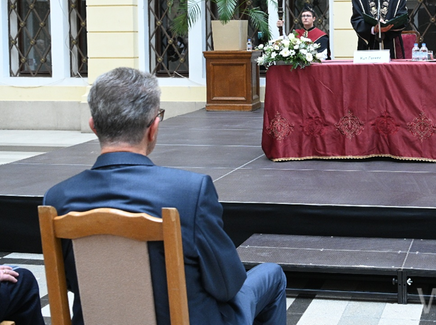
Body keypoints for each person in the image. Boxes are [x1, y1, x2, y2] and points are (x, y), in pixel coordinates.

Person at [43, 68, 286, 325]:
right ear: (153, 128)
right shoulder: (189, 192)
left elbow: (70, 281)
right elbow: (228, 285)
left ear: (93, 126)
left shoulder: (58, 198)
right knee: (272, 275)